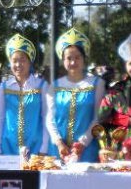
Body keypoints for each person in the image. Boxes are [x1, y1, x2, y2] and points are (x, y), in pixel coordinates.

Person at [45, 28, 105, 163]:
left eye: (77, 57)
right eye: (69, 58)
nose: (73, 62)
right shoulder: (55, 85)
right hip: (58, 150)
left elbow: (97, 118)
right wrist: (59, 143)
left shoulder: (97, 84)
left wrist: (82, 143)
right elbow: (49, 118)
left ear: (84, 59)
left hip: (87, 149)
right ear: (63, 60)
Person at [0, 33, 46, 156]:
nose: (18, 65)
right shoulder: (4, 87)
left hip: (35, 147)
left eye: (22, 60)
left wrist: (44, 147)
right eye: (14, 61)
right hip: (8, 147)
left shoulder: (41, 86)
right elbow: (0, 118)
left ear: (30, 62)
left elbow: (46, 118)